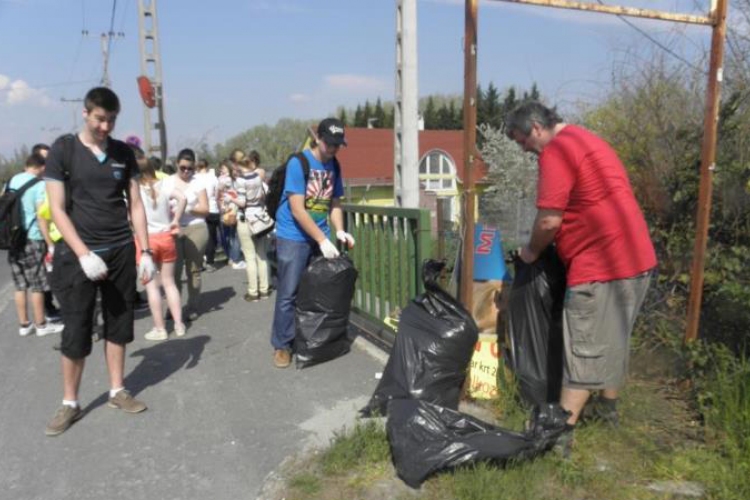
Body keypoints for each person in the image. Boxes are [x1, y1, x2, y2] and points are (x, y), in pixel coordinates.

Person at [504, 101, 657, 455]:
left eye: (520, 141)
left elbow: (548, 221)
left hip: (601, 264)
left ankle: (561, 435)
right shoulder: (588, 140)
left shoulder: (556, 151)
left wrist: (531, 253)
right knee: (614, 338)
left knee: (583, 348)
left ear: (537, 129)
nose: (523, 149)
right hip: (637, 259)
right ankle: (608, 411)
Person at [43, 86, 156, 436]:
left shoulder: (123, 152)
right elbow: (58, 211)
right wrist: (82, 253)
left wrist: (146, 250)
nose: (105, 126)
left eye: (111, 120)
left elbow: (135, 204)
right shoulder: (64, 149)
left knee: (119, 322)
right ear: (85, 113)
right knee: (76, 327)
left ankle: (117, 390)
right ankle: (69, 403)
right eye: (99, 119)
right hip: (79, 255)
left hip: (121, 249)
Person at [269, 118, 355, 368]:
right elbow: (297, 209)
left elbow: (335, 203)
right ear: (318, 139)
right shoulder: (299, 163)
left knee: (318, 290)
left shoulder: (334, 166)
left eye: (338, 145)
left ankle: (312, 338)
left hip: (321, 233)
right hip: (293, 236)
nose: (333, 149)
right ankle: (282, 345)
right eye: (329, 144)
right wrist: (322, 239)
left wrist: (339, 231)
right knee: (288, 292)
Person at [7, 153, 65, 338]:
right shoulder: (39, 185)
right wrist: (50, 244)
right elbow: (42, 217)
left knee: (20, 285)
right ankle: (41, 324)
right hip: (32, 238)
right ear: (41, 167)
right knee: (38, 284)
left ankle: (24, 324)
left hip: (13, 239)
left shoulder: (12, 181)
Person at [136, 155, 188, 340]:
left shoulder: (134, 189)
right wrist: (175, 220)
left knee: (151, 287)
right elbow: (182, 198)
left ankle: (160, 328)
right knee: (170, 282)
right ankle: (179, 324)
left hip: (145, 240)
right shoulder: (165, 184)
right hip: (166, 236)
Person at [168, 149, 209, 322]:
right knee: (174, 272)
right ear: (177, 164)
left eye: (190, 169)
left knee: (193, 270)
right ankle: (174, 307)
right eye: (183, 168)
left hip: (195, 227)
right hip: (174, 230)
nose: (186, 172)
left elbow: (206, 210)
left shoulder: (198, 183)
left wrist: (187, 207)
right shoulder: (167, 182)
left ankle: (192, 306)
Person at [31, 143, 62, 322]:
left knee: (47, 277)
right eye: (44, 158)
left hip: (44, 235)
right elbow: (43, 214)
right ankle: (49, 310)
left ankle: (50, 309)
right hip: (41, 236)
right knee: (46, 278)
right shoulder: (43, 185)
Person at [235, 151, 271, 302]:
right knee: (261, 255)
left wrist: (232, 198)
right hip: (260, 218)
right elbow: (266, 191)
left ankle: (253, 292)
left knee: (249, 257)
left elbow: (242, 203)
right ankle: (264, 289)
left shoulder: (240, 180)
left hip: (246, 218)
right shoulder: (258, 178)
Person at [195, 159, 220, 272]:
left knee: (200, 238)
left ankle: (199, 262)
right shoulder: (213, 178)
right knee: (212, 237)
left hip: (200, 209)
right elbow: (217, 194)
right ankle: (210, 261)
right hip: (213, 208)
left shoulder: (195, 178)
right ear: (207, 166)